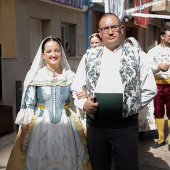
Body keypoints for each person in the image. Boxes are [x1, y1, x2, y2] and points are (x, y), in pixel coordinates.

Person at [71, 13, 157, 170]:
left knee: (127, 165)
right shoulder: (89, 56)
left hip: (126, 127)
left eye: (114, 27)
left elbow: (150, 89)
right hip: (96, 126)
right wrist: (84, 104)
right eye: (105, 28)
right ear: (100, 32)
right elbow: (76, 86)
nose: (110, 32)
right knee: (98, 166)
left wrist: (129, 105)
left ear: (121, 29)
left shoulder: (138, 56)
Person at [6, 36, 91, 170]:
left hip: (66, 125)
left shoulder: (70, 75)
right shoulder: (35, 76)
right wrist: (23, 134)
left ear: (61, 53)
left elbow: (79, 96)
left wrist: (85, 94)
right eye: (49, 51)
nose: (53, 54)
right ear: (42, 55)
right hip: (40, 126)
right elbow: (28, 106)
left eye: (57, 51)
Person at [124, 37, 157, 132]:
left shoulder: (142, 55)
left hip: (142, 86)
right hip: (130, 87)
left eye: (130, 46)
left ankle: (142, 129)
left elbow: (147, 69)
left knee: (141, 111)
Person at [147, 27, 170, 151]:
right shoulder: (153, 51)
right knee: (159, 111)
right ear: (162, 37)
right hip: (157, 84)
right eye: (169, 36)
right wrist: (158, 66)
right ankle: (161, 139)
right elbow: (147, 66)